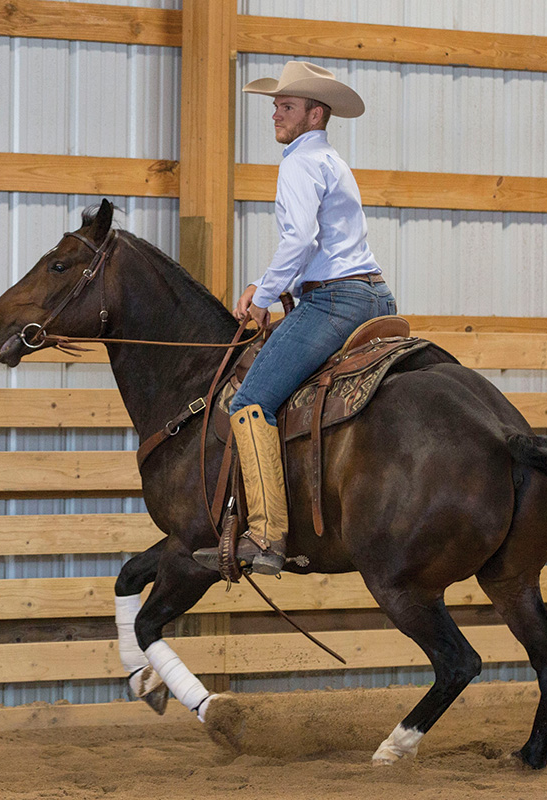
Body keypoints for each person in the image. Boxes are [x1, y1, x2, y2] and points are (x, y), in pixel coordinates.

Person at [193, 61, 396, 577]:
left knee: (250, 401)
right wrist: (271, 285)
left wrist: (261, 297)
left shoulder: (299, 164)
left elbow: (300, 240)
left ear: (315, 113)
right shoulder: (333, 162)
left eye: (286, 107)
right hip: (375, 297)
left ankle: (266, 535)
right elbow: (319, 247)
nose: (276, 115)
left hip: (335, 303)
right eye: (276, 107)